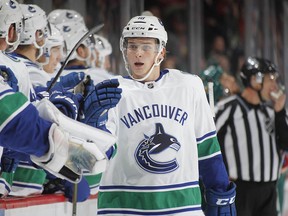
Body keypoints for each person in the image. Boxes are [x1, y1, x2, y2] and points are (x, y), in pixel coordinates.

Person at [94, 15, 236, 215]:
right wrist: (89, 124)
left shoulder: (189, 86)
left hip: (181, 208)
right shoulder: (112, 91)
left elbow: (207, 148)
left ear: (160, 52)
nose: (138, 54)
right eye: (132, 46)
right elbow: (99, 153)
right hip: (124, 208)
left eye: (146, 47)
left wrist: (220, 188)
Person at [0, 0, 118, 201]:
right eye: (55, 48)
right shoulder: (17, 68)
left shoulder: (18, 67)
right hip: (22, 190)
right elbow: (15, 120)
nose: (58, 56)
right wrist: (71, 158)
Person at [215, 57, 288, 216]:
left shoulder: (272, 112)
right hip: (241, 191)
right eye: (271, 80)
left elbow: (285, 144)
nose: (275, 86)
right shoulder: (229, 108)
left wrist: (280, 112)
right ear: (255, 80)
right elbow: (208, 141)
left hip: (269, 191)